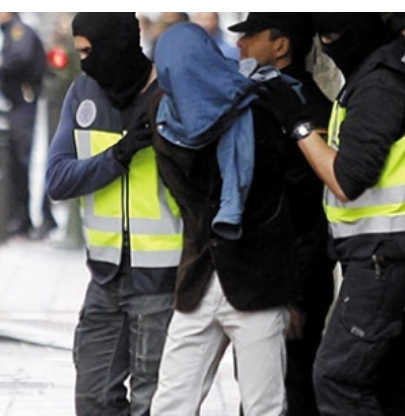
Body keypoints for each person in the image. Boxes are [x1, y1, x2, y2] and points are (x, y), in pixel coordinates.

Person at [148, 23, 301, 415]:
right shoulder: (164, 117)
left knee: (264, 406)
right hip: (199, 279)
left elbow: (294, 200)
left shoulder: (262, 107)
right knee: (171, 403)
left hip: (258, 282)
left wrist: (295, 292)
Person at [260, 12, 404, 416]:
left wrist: (298, 125)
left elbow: (346, 179)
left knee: (337, 378)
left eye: (334, 33)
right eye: (321, 34)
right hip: (377, 255)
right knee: (386, 381)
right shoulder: (377, 73)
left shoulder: (380, 82)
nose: (327, 42)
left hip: (382, 258)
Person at [45, 13, 182, 416]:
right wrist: (117, 156)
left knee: (152, 403)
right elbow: (57, 179)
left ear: (116, 46)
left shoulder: (170, 92)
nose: (85, 62)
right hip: (105, 277)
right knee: (94, 399)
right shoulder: (82, 94)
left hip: (161, 280)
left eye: (89, 51)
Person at [229, 12, 334, 416]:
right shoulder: (264, 98)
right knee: (261, 384)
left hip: (290, 275)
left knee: (289, 384)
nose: (240, 44)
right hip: (265, 272)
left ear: (281, 45)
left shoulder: (297, 108)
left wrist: (294, 296)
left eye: (251, 35)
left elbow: (306, 208)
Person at [0, 12, 47, 238]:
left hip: (22, 102)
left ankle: (26, 217)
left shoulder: (18, 31)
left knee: (21, 159)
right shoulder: (15, 31)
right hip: (19, 102)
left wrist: (1, 66)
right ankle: (23, 217)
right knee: (17, 160)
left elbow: (20, 57)